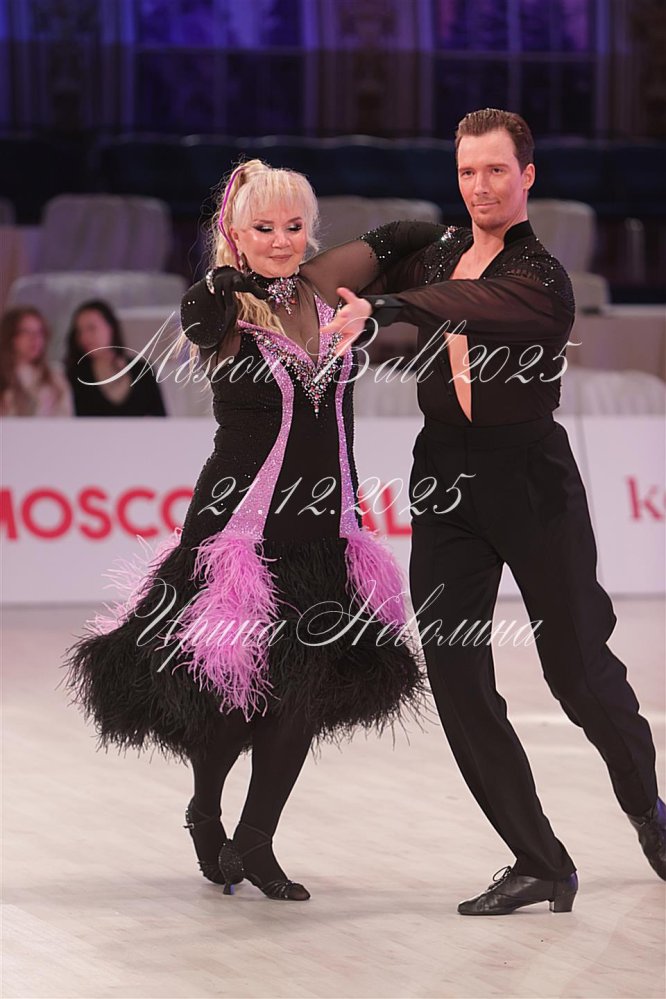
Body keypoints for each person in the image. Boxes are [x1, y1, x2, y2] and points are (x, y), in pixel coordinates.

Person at [63, 159, 442, 901]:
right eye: (263, 227)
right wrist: (223, 280)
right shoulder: (220, 301)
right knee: (233, 699)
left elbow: (404, 236)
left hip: (324, 532)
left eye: (294, 226)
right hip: (241, 531)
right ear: (235, 232)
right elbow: (199, 320)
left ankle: (258, 840)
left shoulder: (322, 287)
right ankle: (206, 809)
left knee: (301, 696)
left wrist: (466, 245)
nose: (281, 240)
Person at [324, 108, 666, 915]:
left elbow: (468, 304)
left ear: (527, 176)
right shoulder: (435, 248)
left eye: (496, 170)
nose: (480, 186)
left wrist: (388, 307)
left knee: (578, 669)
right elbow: (340, 267)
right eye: (467, 171)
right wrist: (274, 269)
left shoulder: (541, 277)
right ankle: (539, 858)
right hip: (444, 481)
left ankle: (646, 807)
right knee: (455, 674)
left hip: (530, 480)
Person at [65, 299, 166, 417]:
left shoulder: (142, 369)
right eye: (79, 331)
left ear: (110, 327)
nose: (84, 337)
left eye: (91, 328)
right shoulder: (75, 375)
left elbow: (161, 419)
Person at [0, 306, 74, 416]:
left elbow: (66, 417)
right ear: (11, 336)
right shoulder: (4, 376)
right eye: (26, 332)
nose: (35, 339)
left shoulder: (55, 378)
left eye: (39, 332)